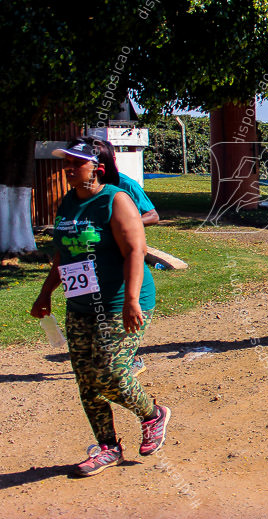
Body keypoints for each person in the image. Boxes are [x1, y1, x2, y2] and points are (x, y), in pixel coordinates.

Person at [30, 137, 169, 476]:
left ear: (98, 169)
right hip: (80, 303)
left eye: (76, 163)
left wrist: (133, 300)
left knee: (109, 373)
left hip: (119, 301)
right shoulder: (67, 204)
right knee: (86, 379)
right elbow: (63, 255)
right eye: (68, 162)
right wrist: (46, 292)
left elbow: (136, 250)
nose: (69, 168)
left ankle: (152, 415)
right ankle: (108, 447)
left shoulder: (115, 200)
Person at [93, 138, 158, 375]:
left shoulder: (124, 184)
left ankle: (131, 358)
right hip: (96, 266)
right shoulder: (80, 192)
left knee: (122, 306)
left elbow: (153, 215)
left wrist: (123, 225)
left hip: (124, 259)